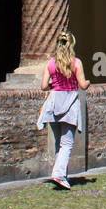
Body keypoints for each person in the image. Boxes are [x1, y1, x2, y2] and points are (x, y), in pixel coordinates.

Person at [37, 31, 91, 190]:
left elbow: (43, 86)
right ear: (71, 45)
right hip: (70, 103)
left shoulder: (51, 63)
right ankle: (59, 175)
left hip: (54, 102)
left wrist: (55, 86)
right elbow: (82, 85)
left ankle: (60, 174)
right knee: (67, 143)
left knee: (59, 142)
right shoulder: (76, 63)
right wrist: (88, 82)